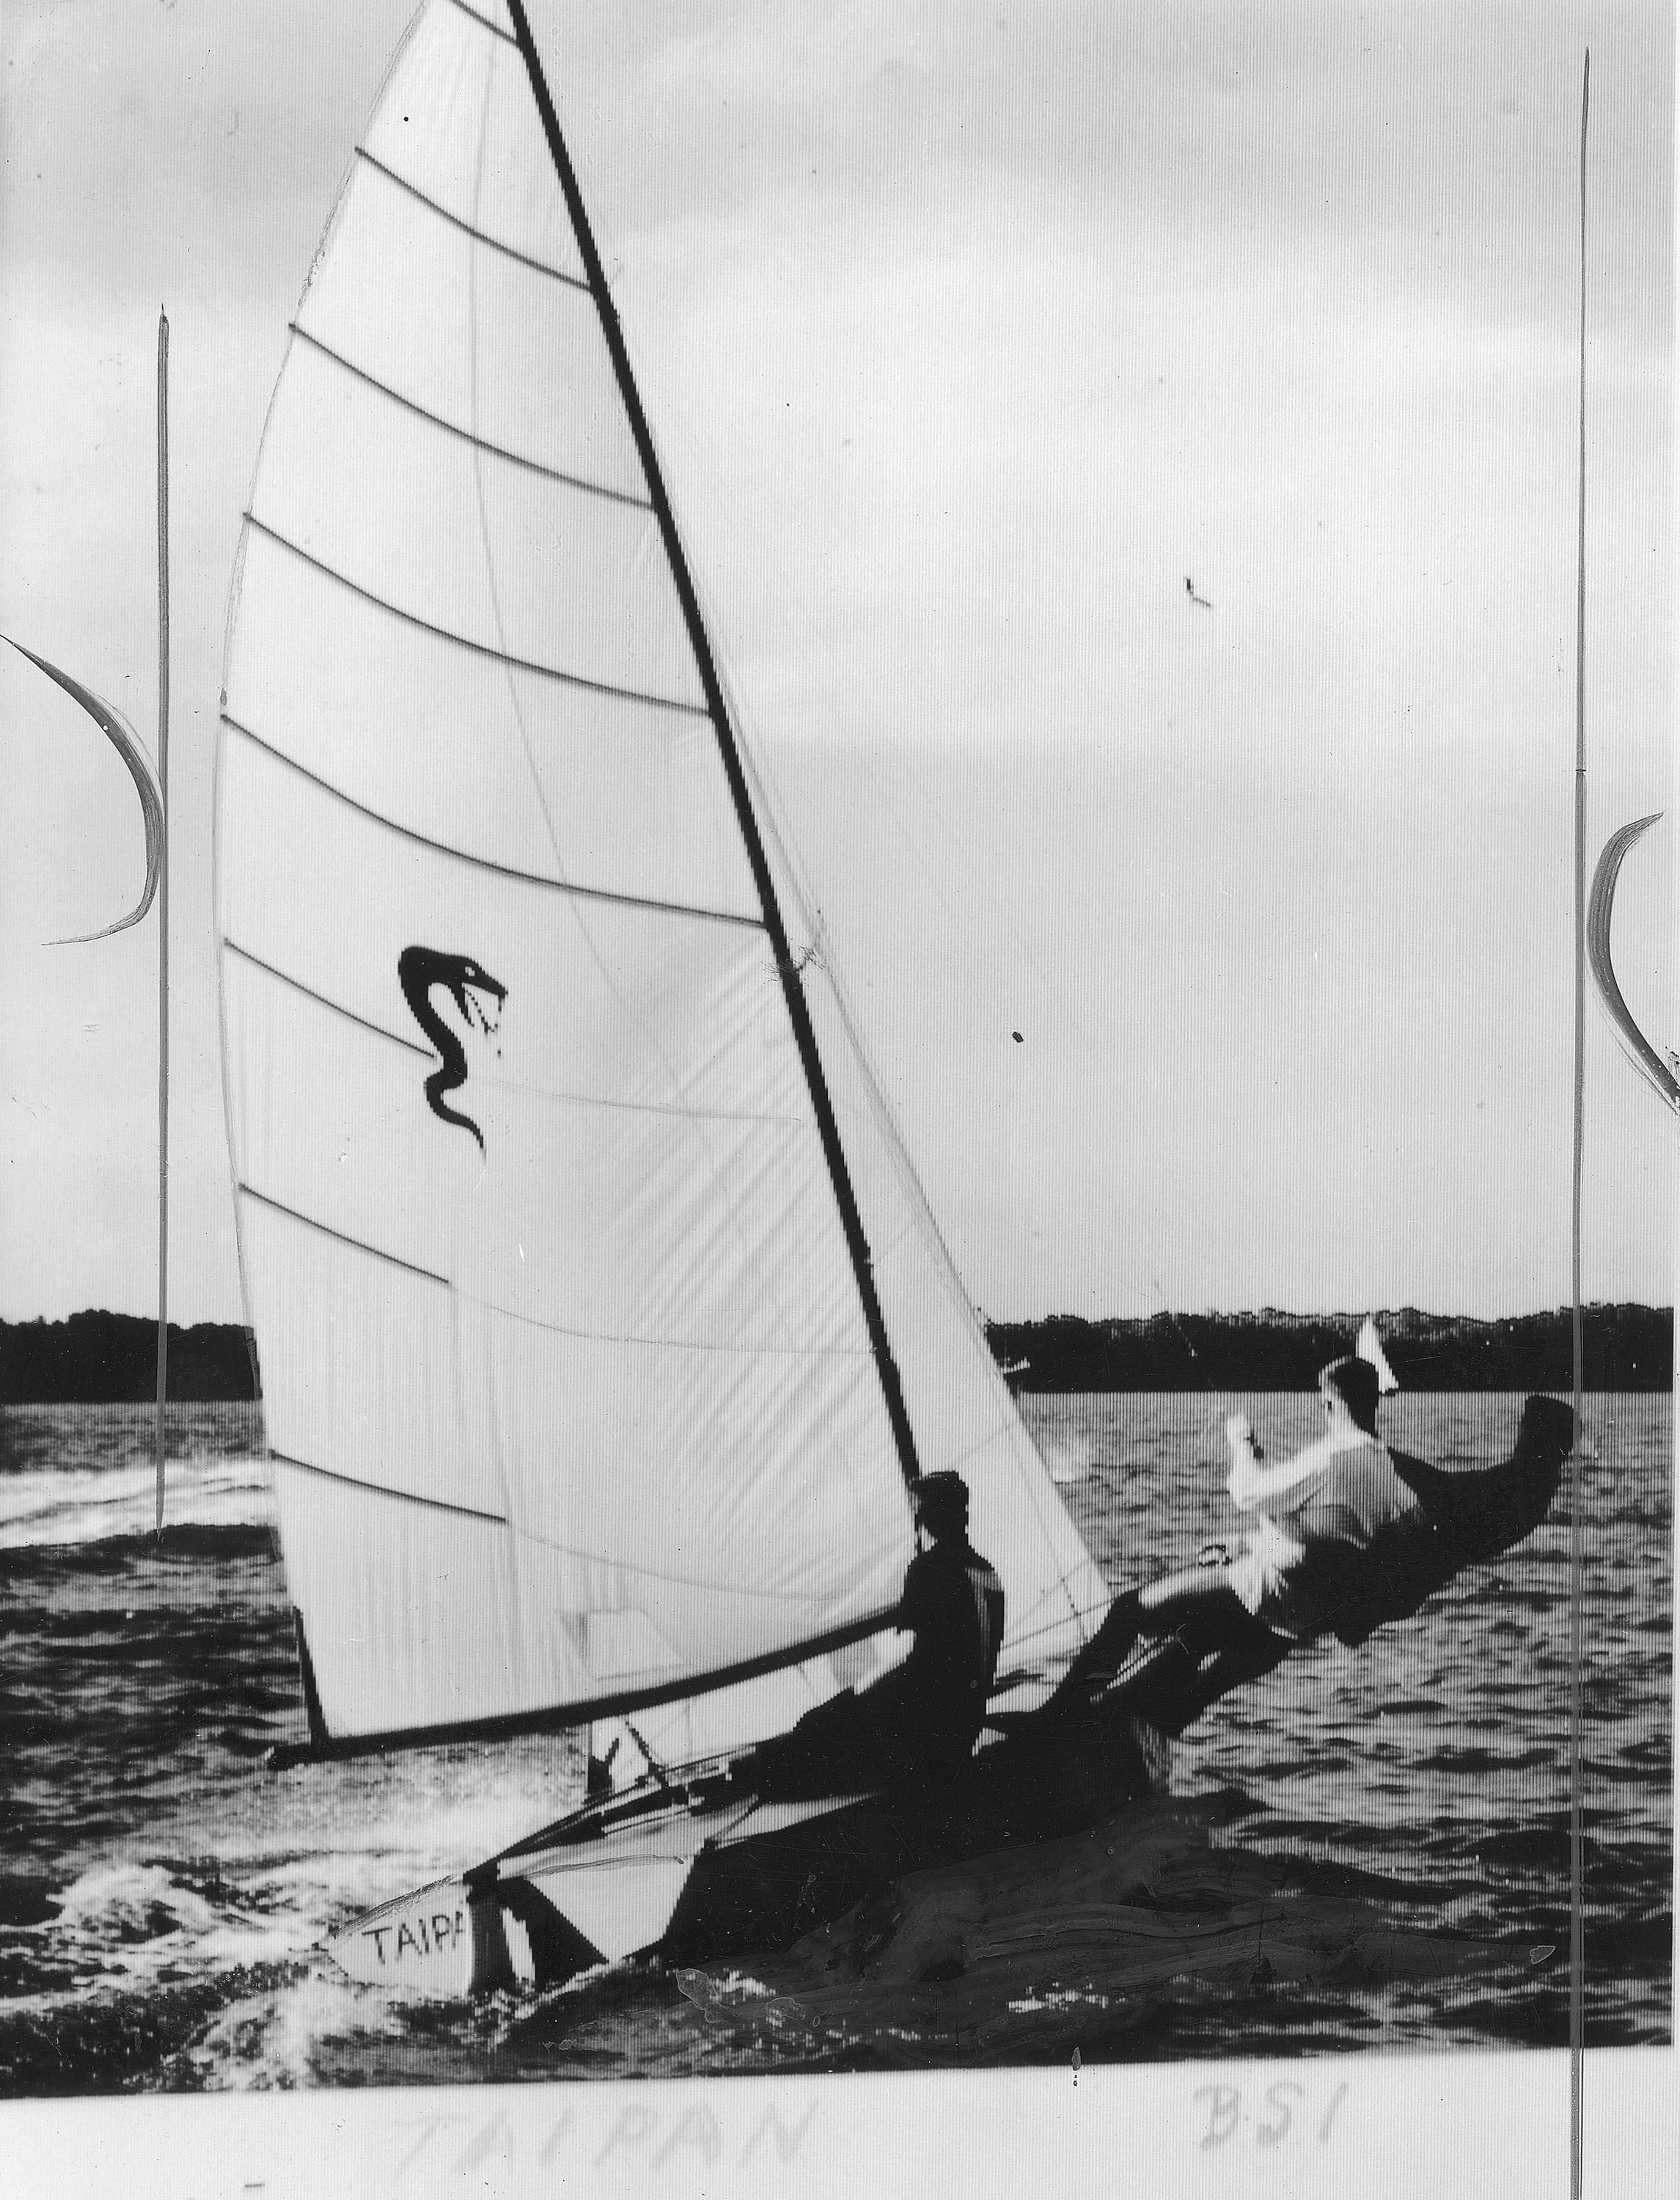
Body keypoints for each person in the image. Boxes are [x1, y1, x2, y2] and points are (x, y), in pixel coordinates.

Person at [1051, 1360, 1572, 1724]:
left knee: (1128, 1611)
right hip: (1303, 1618)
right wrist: (1246, 1543)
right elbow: (1337, 1533)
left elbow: (1248, 1491)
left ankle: (1060, 1716)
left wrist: (1242, 1443)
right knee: (1201, 1666)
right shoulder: (1394, 1475)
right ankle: (1141, 1728)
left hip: (1267, 1589)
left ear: (1327, 1402)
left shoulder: (1336, 1455)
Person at [747, 1470, 1005, 1801]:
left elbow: (917, 1660)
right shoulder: (989, 1574)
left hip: (926, 1723)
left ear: (929, 1517)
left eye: (924, 1509)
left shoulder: (929, 1566)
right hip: (964, 1722)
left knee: (815, 1725)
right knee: (837, 1723)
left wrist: (859, 1694)